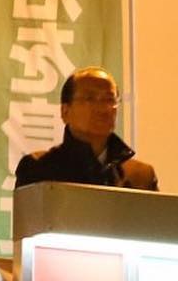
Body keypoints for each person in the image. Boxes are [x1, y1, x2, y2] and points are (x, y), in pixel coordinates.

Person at [14, 66, 158, 190]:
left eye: (109, 99)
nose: (102, 108)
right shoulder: (38, 168)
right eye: (90, 98)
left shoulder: (141, 176)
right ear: (65, 112)